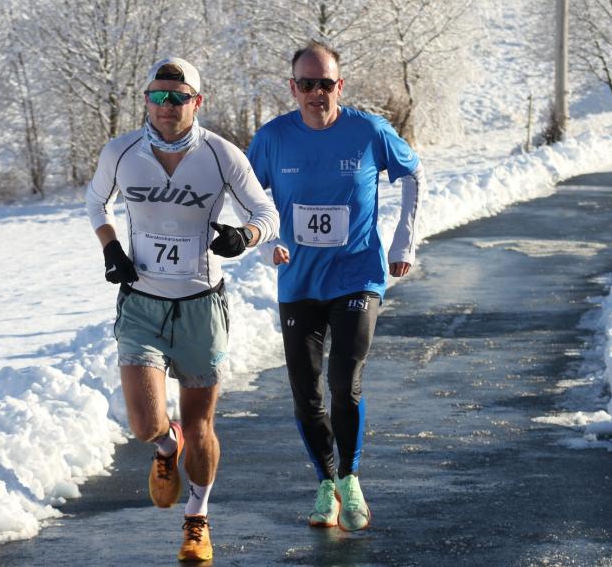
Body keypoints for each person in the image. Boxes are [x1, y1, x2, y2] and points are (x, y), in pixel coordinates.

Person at [86, 57, 278, 561]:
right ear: (146, 99)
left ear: (197, 101)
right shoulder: (121, 151)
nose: (166, 106)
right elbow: (95, 203)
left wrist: (245, 235)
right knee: (147, 425)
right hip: (143, 304)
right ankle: (165, 450)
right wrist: (111, 248)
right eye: (157, 95)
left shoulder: (221, 155)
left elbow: (267, 214)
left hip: (200, 306)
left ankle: (197, 518)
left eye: (178, 96)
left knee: (201, 428)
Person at [246, 40, 423, 532]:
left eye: (326, 83)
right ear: (293, 88)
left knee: (345, 383)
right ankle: (326, 483)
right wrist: (264, 240)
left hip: (357, 276)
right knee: (306, 391)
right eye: (307, 84)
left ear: (339, 86)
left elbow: (413, 173)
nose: (316, 93)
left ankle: (350, 477)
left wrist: (404, 243)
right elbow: (241, 190)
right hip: (299, 280)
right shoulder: (273, 138)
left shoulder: (369, 131)